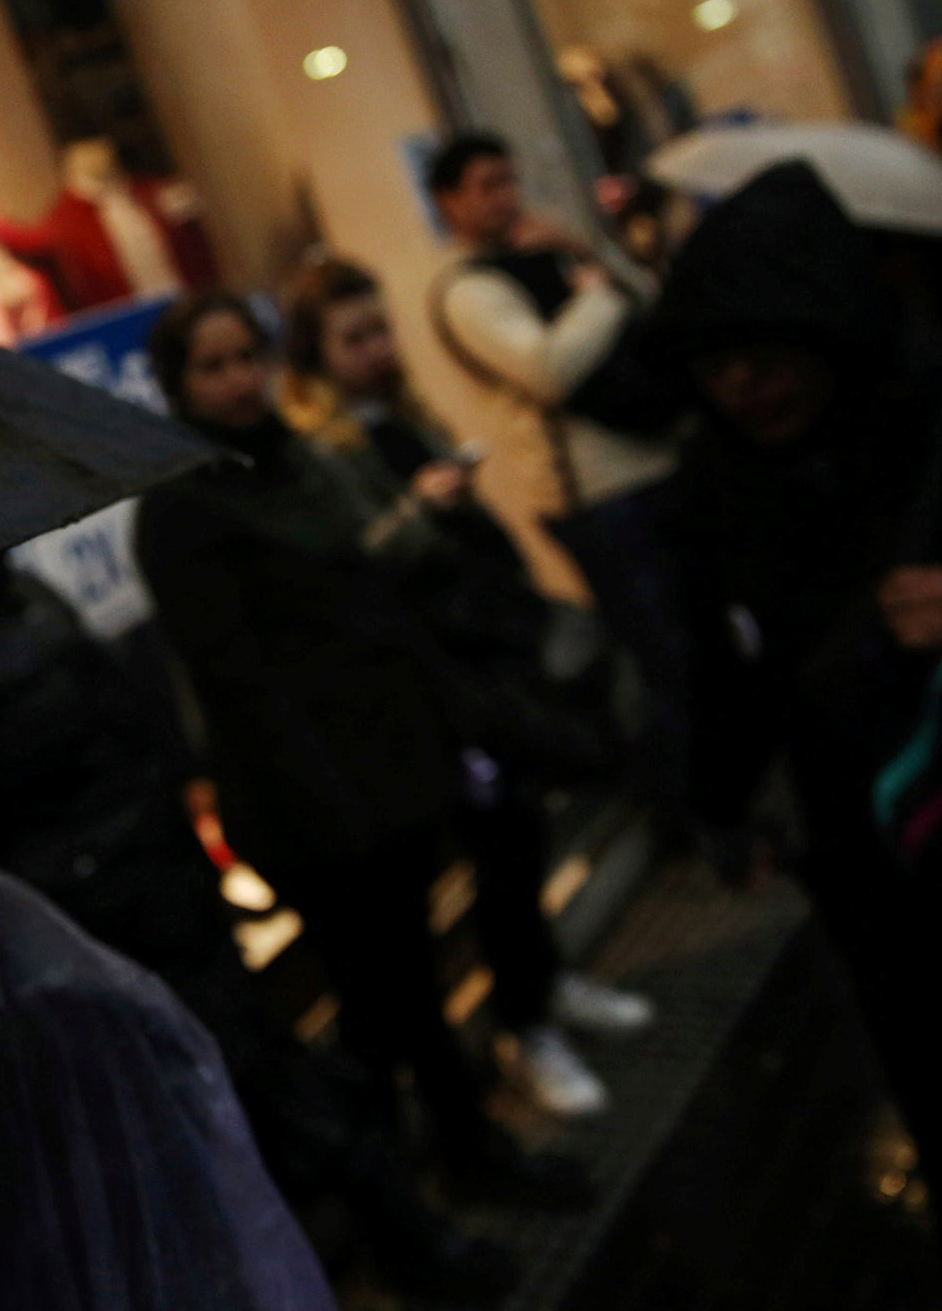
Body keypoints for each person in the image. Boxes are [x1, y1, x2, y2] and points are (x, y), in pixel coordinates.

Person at [0, 561, 523, 1304]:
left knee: (269, 1080)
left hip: (170, 893)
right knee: (226, 1109)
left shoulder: (19, 592)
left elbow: (127, 726)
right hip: (95, 935)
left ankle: (396, 1245)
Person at [133, 293, 593, 1206]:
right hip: (312, 799)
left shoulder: (300, 461)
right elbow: (242, 687)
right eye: (213, 366)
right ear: (178, 385)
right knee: (379, 1007)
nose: (238, 381)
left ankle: (464, 1154)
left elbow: (374, 606)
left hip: (387, 768)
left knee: (413, 987)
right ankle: (411, 1195)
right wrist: (333, 807)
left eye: (246, 358)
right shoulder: (182, 505)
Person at [277, 255, 650, 1116]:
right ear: (316, 354)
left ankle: (545, 989)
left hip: (486, 657)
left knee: (521, 835)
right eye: (356, 338)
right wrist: (419, 511)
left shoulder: (401, 418)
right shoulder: (323, 453)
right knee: (497, 850)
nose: (378, 351)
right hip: (433, 686)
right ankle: (524, 1023)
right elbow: (357, 568)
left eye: (381, 330)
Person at [653, 159, 942, 1198]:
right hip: (853, 849)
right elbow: (714, 662)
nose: (744, 389)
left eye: (764, 359)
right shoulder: (711, 483)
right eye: (716, 366)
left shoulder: (919, 423)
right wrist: (720, 802)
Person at [419, 132, 691, 817]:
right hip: (593, 493)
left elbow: (643, 306)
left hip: (652, 460)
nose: (506, 199)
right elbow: (547, 369)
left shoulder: (539, 260)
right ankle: (693, 817)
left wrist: (582, 256)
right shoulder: (467, 291)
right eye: (487, 187)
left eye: (509, 181)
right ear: (449, 202)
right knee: (663, 663)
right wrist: (595, 291)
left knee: (696, 647)